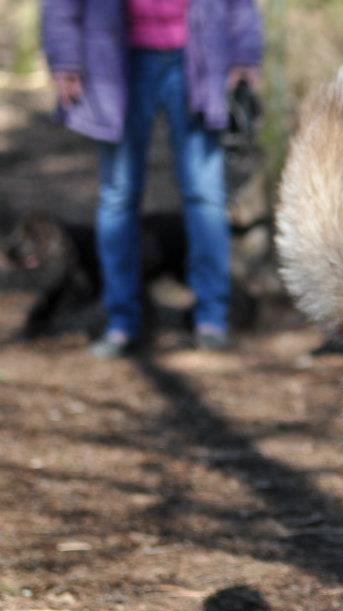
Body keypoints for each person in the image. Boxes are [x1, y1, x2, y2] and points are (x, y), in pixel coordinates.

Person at [41, 0, 262, 358]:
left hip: (199, 56)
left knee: (205, 195)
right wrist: (64, 59)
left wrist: (245, 54)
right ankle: (121, 322)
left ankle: (212, 319)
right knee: (118, 196)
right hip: (116, 59)